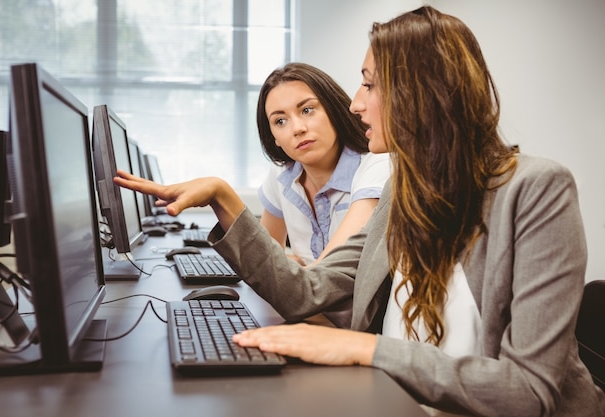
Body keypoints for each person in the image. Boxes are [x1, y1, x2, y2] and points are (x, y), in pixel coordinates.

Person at [114, 6, 605, 416]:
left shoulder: (537, 189)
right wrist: (223, 197)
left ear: (423, 91)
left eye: (369, 86)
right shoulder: (403, 193)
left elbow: (529, 390)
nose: (354, 104)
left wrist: (363, 349)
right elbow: (308, 290)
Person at [256, 63, 390, 266]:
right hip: (302, 295)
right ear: (273, 136)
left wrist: (288, 272)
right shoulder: (282, 173)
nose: (298, 129)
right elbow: (262, 262)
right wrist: (285, 264)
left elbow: (326, 275)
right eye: (280, 121)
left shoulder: (376, 163)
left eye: (307, 110)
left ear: (333, 108)